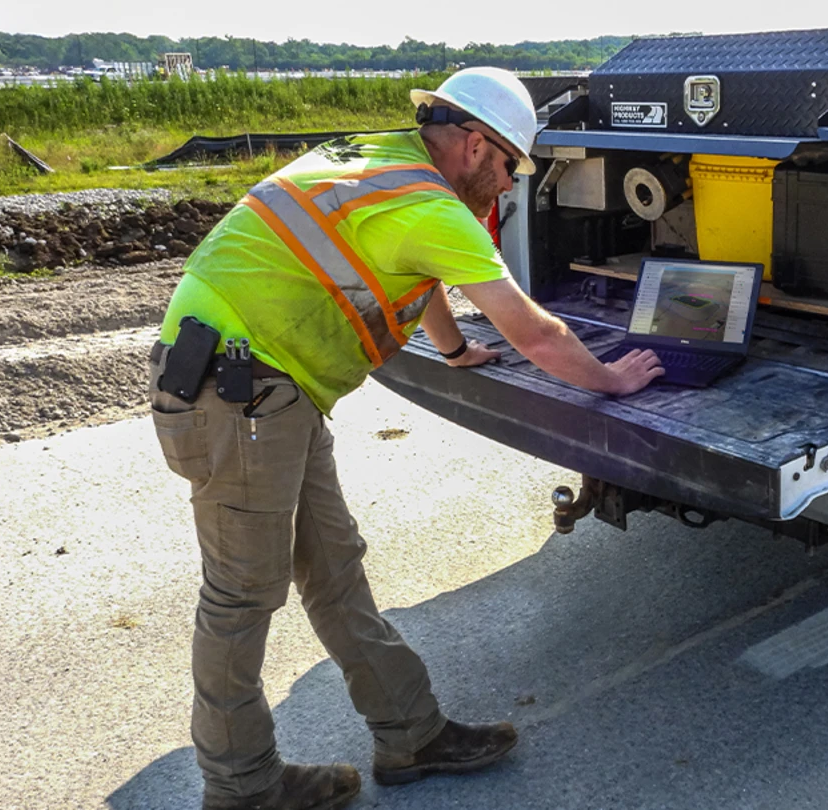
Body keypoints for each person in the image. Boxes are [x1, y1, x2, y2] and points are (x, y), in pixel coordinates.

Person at [147, 67, 664, 810]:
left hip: (263, 389)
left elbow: (411, 273)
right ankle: (242, 788)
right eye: (510, 166)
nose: (509, 185)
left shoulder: (371, 158)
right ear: (477, 145)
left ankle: (411, 735)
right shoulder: (431, 207)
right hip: (237, 397)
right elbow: (536, 335)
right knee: (241, 598)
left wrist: (453, 350)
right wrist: (612, 380)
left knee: (334, 571)